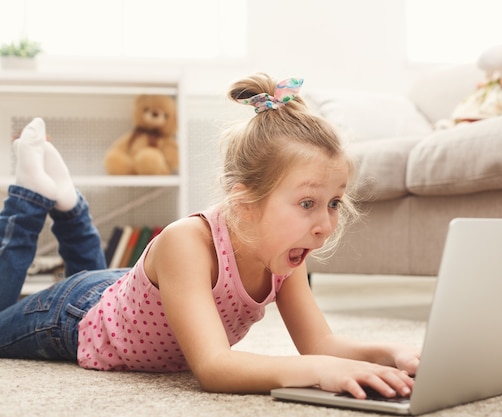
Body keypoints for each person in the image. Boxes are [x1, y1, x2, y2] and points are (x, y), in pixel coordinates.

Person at [0, 73, 419, 399]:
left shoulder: (286, 255)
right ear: (244, 202)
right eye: (308, 203)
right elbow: (215, 367)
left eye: (333, 203)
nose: (325, 225)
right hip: (75, 314)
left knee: (101, 275)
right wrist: (319, 372)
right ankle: (30, 196)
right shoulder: (188, 242)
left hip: (131, 292)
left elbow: (321, 343)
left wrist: (391, 354)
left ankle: (70, 204)